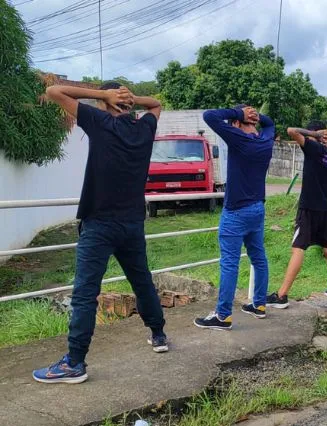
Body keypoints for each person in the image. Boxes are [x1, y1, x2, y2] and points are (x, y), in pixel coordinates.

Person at [34, 83, 165, 384]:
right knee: (141, 280)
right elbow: (156, 104)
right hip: (132, 223)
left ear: (107, 102)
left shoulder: (100, 121)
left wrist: (103, 96)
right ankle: (158, 335)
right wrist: (133, 99)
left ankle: (75, 363)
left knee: (84, 294)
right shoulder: (143, 128)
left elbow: (54, 91)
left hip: (100, 224)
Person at [193, 105, 275, 330]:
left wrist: (240, 113)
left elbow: (210, 116)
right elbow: (269, 124)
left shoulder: (239, 139)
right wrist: (257, 116)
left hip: (236, 211)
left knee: (229, 263)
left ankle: (223, 315)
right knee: (258, 257)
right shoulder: (265, 141)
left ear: (238, 124)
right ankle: (259, 305)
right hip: (257, 208)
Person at [265, 122, 327, 308]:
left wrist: (314, 135)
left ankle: (282, 295)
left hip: (308, 207)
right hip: (326, 209)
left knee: (298, 248)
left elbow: (290, 130)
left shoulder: (313, 147)